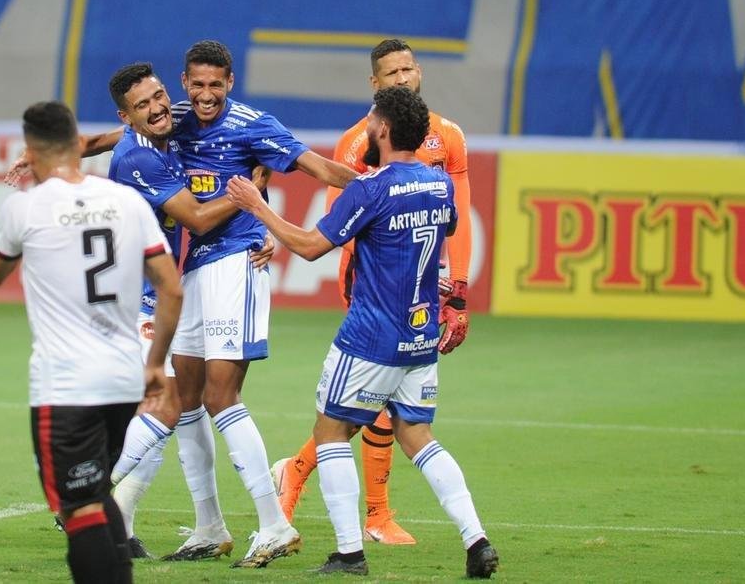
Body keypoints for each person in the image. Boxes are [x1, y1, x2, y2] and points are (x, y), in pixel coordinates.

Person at [81, 41, 357, 568]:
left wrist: (378, 185)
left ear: (229, 82)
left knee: (220, 396)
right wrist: (45, 151)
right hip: (196, 268)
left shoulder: (251, 123)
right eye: (196, 86)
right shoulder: (168, 125)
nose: (204, 96)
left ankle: (273, 523)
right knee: (184, 400)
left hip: (237, 262)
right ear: (186, 83)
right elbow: (108, 138)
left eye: (216, 85)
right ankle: (209, 525)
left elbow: (318, 167)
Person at [226, 86, 499, 578]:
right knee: (417, 435)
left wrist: (256, 206)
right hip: (420, 337)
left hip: (371, 336)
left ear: (385, 129)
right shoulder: (438, 187)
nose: (367, 125)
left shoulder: (371, 190)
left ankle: (349, 553)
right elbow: (450, 224)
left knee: (330, 434)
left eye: (372, 118)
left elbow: (311, 247)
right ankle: (475, 539)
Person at [271, 38, 475, 545]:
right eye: (392, 72)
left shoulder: (448, 135)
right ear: (375, 84)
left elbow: (459, 219)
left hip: (423, 291)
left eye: (409, 68)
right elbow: (348, 223)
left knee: (374, 406)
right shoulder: (358, 142)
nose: (403, 77)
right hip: (375, 288)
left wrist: (459, 291)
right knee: (380, 407)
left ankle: (302, 476)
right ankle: (374, 514)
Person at [0, 101, 182, 584]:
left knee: (77, 507)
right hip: (123, 377)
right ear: (78, 143)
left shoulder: (24, 207)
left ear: (29, 150)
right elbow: (171, 287)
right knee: (95, 495)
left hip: (65, 385)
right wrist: (155, 363)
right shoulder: (126, 201)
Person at [102, 61, 273, 560]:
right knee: (170, 404)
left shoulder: (166, 134)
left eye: (158, 97)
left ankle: (183, 525)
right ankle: (94, 497)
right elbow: (197, 218)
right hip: (132, 298)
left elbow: (99, 140)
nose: (157, 109)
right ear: (126, 116)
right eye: (143, 106)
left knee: (185, 404)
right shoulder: (140, 158)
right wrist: (251, 195)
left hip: (153, 295)